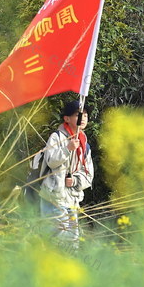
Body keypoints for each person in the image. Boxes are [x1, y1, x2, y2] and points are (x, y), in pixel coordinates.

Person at [39, 100, 94, 247]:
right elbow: (50, 161)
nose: (83, 119)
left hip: (72, 199)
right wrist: (67, 149)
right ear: (67, 119)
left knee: (72, 240)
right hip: (54, 197)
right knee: (54, 238)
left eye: (86, 116)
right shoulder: (57, 137)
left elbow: (89, 176)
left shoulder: (85, 145)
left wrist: (75, 181)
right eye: (78, 115)